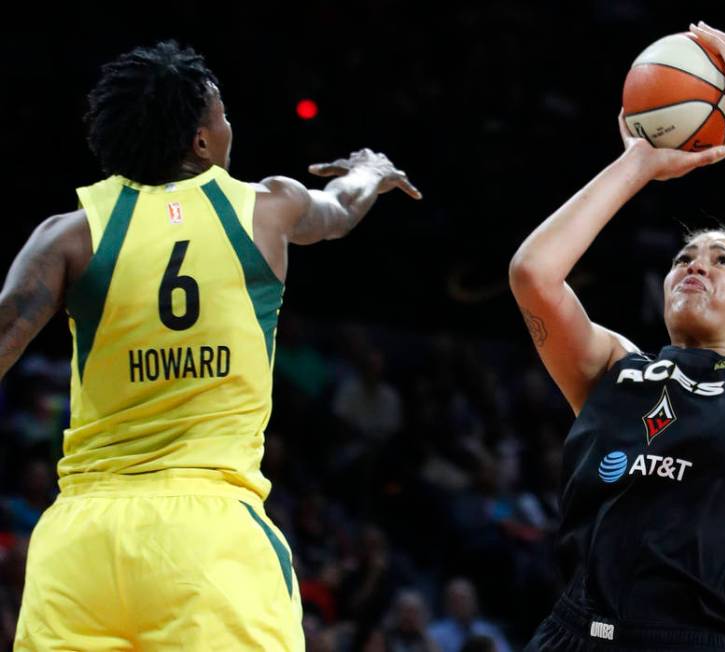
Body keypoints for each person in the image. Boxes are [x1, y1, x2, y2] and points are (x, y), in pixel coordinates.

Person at [1, 41, 420, 650]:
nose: (229, 126)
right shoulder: (267, 209)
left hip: (79, 545)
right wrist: (371, 172)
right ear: (201, 142)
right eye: (221, 114)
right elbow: (339, 209)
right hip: (208, 543)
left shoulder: (69, 235)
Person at [510, 22, 725, 652]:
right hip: (574, 635)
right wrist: (636, 163)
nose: (695, 265)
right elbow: (533, 273)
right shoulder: (612, 368)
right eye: (684, 257)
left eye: (722, 261)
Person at [428, 577, 513, 652]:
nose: (462, 604)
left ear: (475, 601)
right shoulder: (434, 634)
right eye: (456, 600)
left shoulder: (489, 631)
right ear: (447, 604)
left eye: (465, 599)